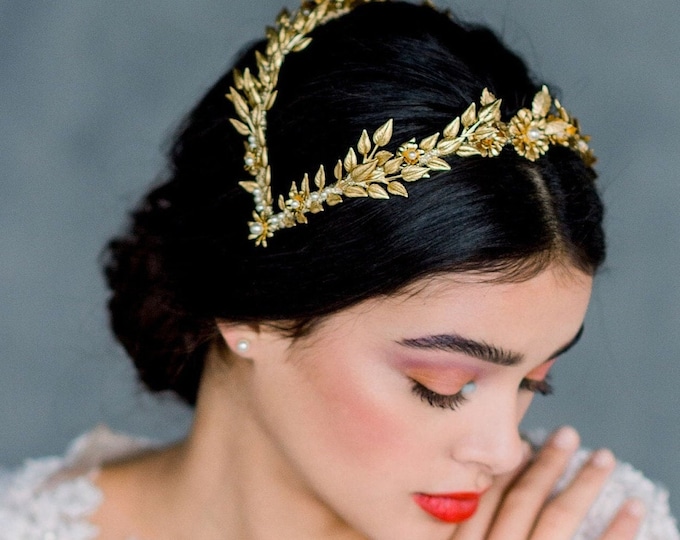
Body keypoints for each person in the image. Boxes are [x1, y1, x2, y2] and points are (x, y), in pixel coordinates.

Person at [1, 0, 677, 538]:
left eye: (535, 381)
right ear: (251, 308)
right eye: (440, 385)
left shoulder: (597, 527)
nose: (502, 453)